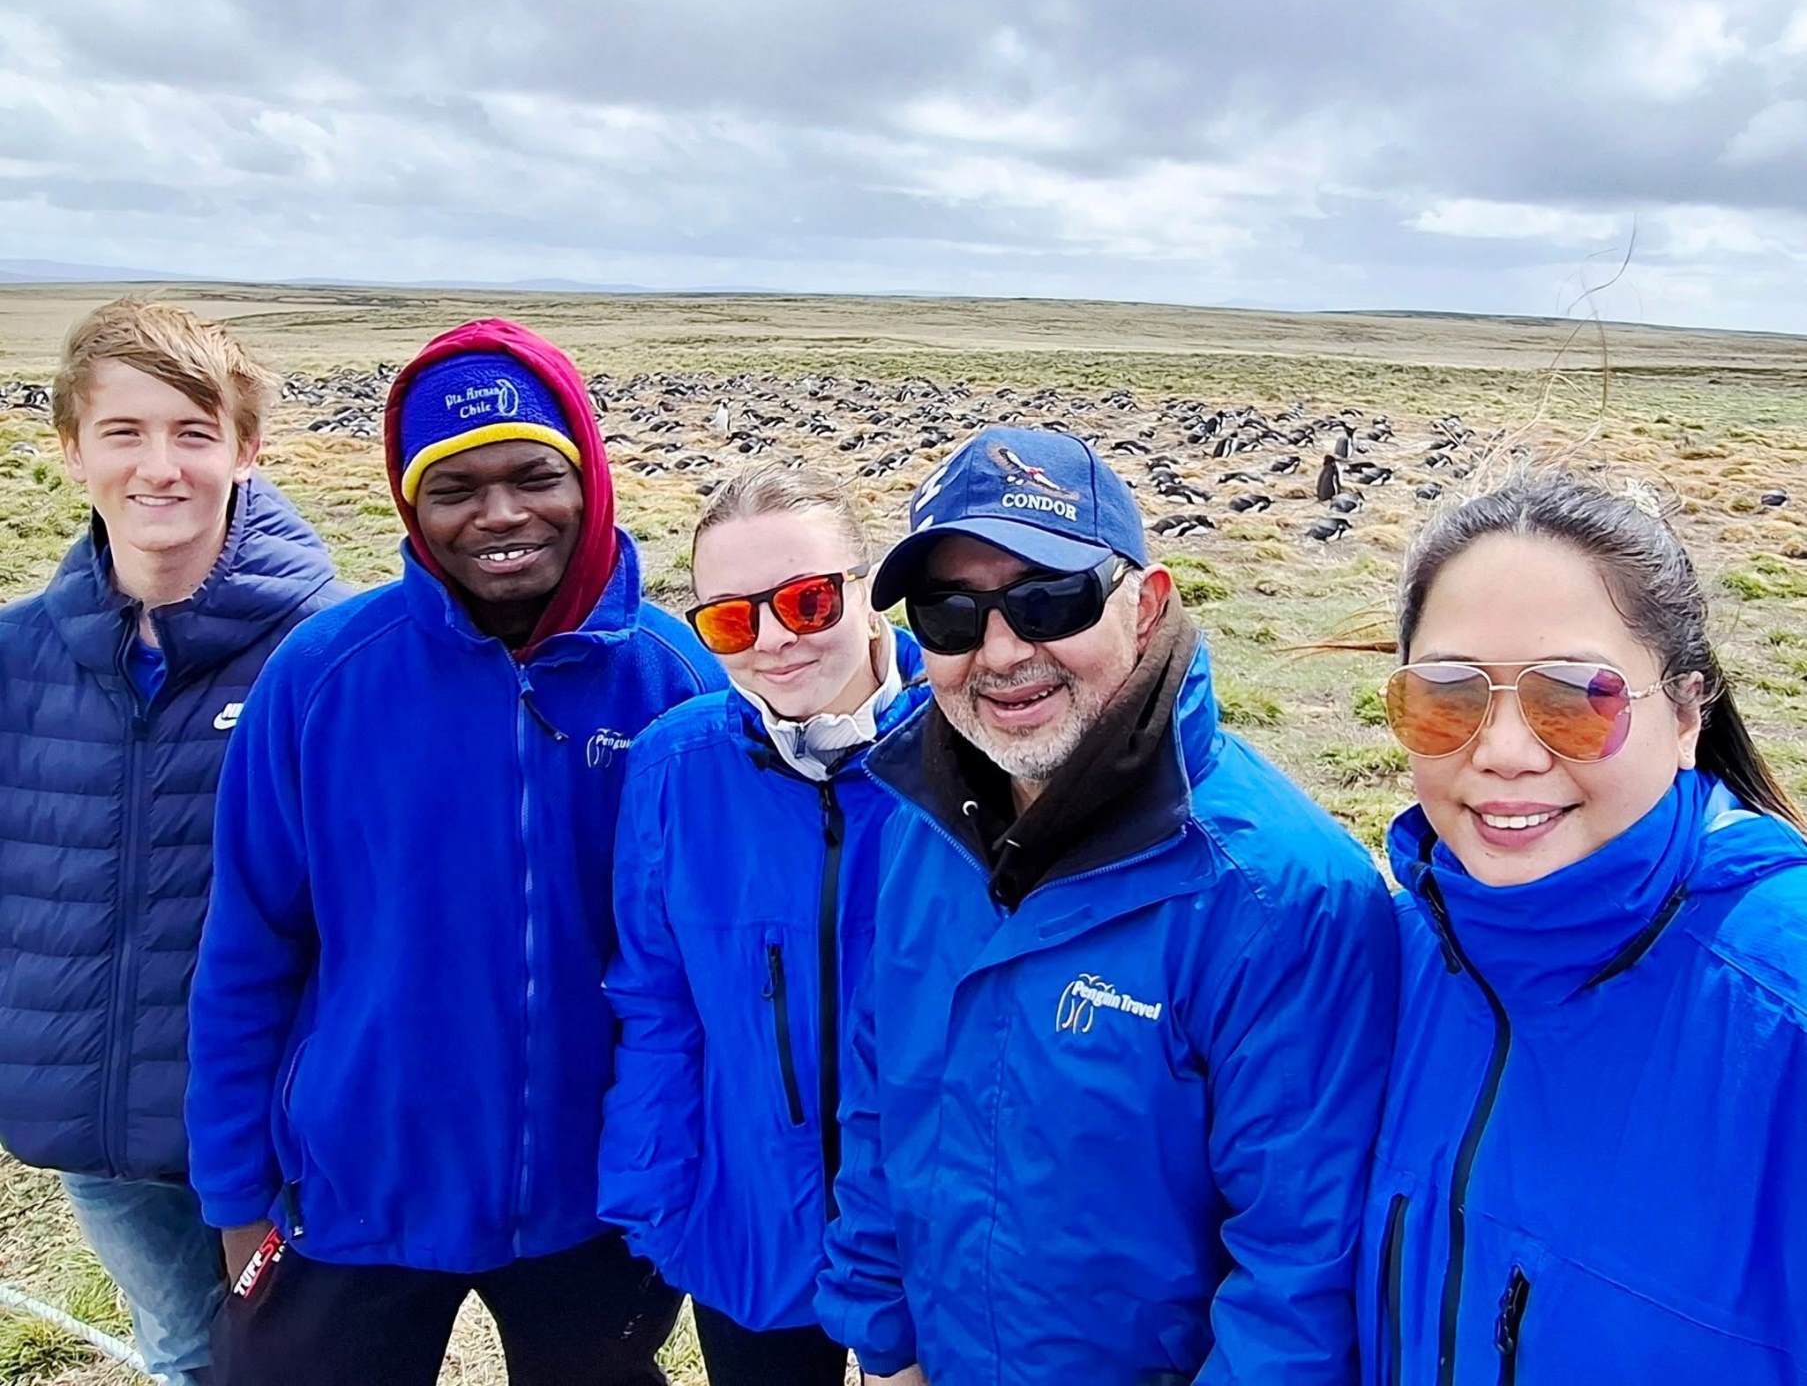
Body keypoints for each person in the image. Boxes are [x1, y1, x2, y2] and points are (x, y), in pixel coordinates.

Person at [186, 318, 725, 1386]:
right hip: (356, 1189)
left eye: (535, 475)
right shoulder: (321, 678)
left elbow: (716, 959)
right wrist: (234, 1193)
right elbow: (248, 947)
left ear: (589, 477)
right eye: (454, 487)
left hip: (602, 1194)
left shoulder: (675, 680)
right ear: (410, 506)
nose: (501, 513)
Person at [814, 426, 1399, 1386]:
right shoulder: (923, 827)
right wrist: (884, 1347)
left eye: (1050, 599)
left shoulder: (1279, 897)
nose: (1001, 651)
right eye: (949, 616)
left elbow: (1298, 1273)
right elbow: (881, 1106)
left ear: (1148, 601)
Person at [1358, 472, 1807, 1384]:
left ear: (1685, 715)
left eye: (1574, 698)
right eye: (1447, 696)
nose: (1503, 752)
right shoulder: (1381, 964)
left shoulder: (1780, 1012)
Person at [0, 298, 345, 1386]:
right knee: (188, 1357)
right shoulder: (16, 659)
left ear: (246, 450)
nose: (160, 467)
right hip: (100, 1122)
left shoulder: (327, 656)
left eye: (193, 433)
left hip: (289, 1129)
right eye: (124, 432)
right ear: (71, 449)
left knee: (305, 1366)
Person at [599, 463, 928, 1386]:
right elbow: (655, 1000)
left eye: (809, 601)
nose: (777, 640)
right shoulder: (673, 765)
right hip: (750, 1222)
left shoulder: (968, 753)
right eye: (732, 621)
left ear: (868, 589)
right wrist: (659, 1195)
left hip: (933, 1236)